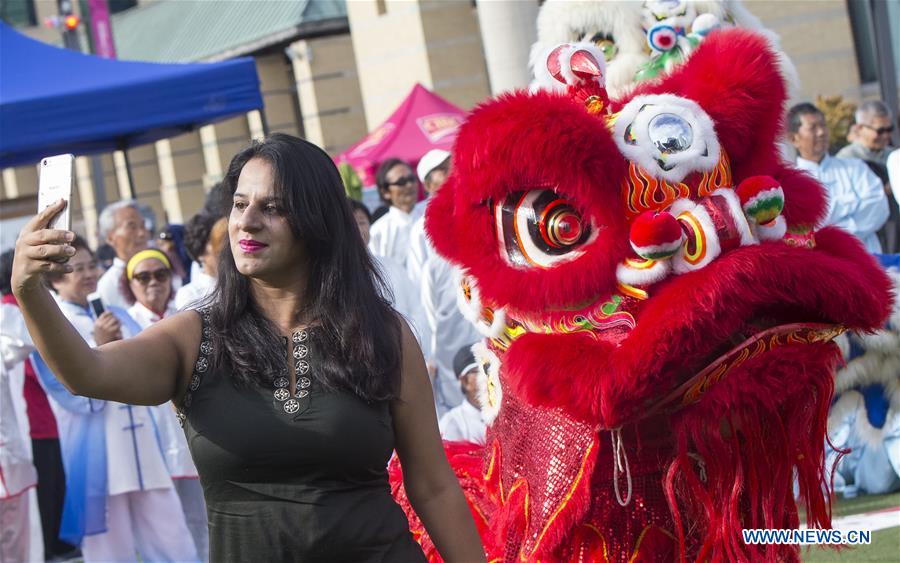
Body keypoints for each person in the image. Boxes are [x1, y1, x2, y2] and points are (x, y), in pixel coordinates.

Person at [12, 133, 486, 562]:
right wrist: (30, 290)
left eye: (273, 208)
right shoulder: (195, 337)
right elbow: (87, 372)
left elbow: (433, 486)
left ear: (316, 221)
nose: (247, 222)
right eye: (240, 204)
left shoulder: (381, 333)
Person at [32, 236, 198, 562]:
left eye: (91, 265)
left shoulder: (120, 316)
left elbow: (152, 369)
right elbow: (69, 392)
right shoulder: (50, 328)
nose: (88, 274)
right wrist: (100, 349)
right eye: (77, 268)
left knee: (173, 539)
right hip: (97, 455)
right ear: (55, 279)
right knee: (109, 549)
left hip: (145, 448)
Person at [123, 248, 209, 562]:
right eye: (143, 277)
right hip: (148, 441)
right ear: (129, 283)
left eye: (160, 274)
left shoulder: (187, 316)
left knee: (200, 521)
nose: (153, 283)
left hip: (192, 436)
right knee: (160, 530)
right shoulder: (122, 323)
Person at [1, 249, 74, 561]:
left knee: (51, 487)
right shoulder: (10, 312)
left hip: (42, 419)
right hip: (32, 421)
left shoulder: (18, 310)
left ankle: (54, 545)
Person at [787, 102, 889, 253]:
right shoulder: (790, 184)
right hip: (823, 263)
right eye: (813, 127)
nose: (821, 132)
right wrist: (852, 211)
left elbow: (879, 208)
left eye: (823, 125)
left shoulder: (855, 168)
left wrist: (831, 231)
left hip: (869, 257)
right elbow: (799, 231)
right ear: (794, 138)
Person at [836, 100, 898, 253]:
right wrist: (884, 190)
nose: (886, 136)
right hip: (869, 238)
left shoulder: (893, 155)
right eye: (880, 130)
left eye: (889, 129)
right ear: (860, 128)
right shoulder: (846, 162)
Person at [95, 200, 154, 309]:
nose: (141, 233)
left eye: (143, 226)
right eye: (132, 227)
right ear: (110, 237)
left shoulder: (164, 270)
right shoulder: (108, 286)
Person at [369, 158, 421, 267]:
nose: (409, 185)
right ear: (385, 192)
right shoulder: (378, 231)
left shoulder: (430, 217)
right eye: (401, 182)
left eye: (411, 179)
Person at [176, 214, 227, 311]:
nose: (225, 247)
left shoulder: (247, 282)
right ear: (200, 253)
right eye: (216, 242)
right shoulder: (190, 294)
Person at [438, 346, 487, 444]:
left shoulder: (503, 414)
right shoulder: (452, 422)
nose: (488, 376)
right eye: (482, 371)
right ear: (465, 381)